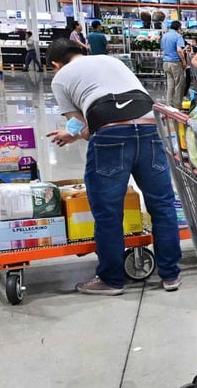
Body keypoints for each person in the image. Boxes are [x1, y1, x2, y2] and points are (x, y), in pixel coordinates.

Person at [45, 39, 182, 295]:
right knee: (162, 205)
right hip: (151, 126)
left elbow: (85, 124)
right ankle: (171, 275)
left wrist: (73, 134)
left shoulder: (60, 78)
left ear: (55, 63)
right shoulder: (111, 61)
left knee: (108, 211)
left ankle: (111, 279)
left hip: (110, 135)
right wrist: (74, 133)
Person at [160, 20, 188, 108]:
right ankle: (177, 106)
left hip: (166, 62)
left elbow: (162, 48)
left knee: (170, 84)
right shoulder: (178, 36)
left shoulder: (164, 36)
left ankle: (169, 105)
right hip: (175, 62)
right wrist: (184, 61)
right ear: (178, 28)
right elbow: (179, 50)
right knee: (179, 84)